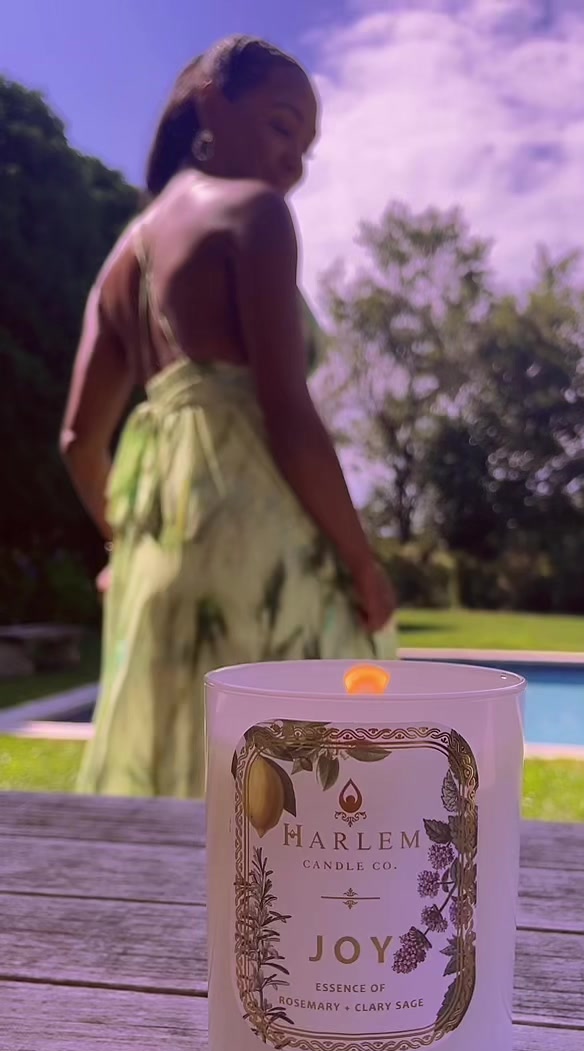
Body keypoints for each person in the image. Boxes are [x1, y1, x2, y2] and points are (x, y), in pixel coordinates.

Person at [60, 35, 396, 799]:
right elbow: (288, 415)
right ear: (212, 101)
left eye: (306, 149)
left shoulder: (124, 259)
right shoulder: (255, 213)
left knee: (183, 794)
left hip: (160, 561)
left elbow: (79, 441)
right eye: (282, 126)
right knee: (299, 796)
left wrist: (125, 547)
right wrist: (362, 563)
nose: (293, 163)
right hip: (264, 545)